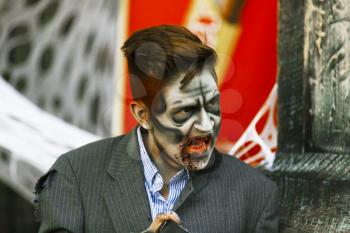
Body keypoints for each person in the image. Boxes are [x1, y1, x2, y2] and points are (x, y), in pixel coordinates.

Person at [35, 25, 279, 233]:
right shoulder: (74, 177)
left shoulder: (256, 194)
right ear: (143, 115)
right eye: (184, 111)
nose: (206, 124)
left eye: (213, 104)